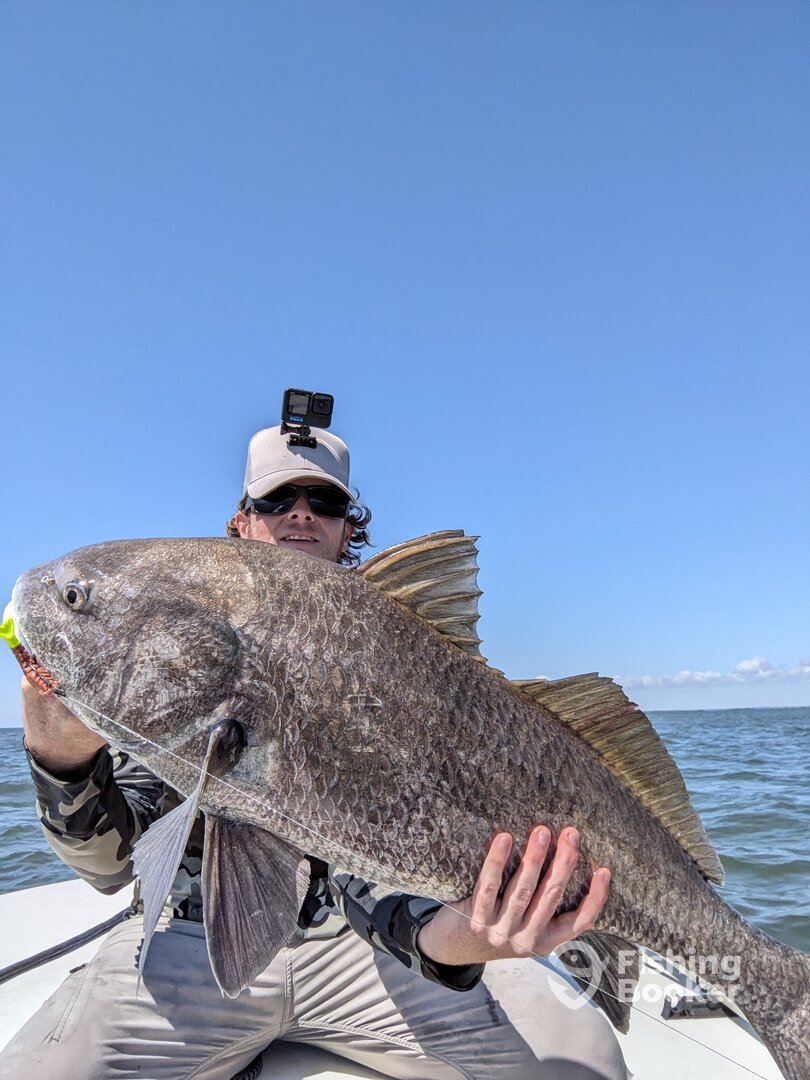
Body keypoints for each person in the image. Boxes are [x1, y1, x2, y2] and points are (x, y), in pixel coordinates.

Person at [0, 423, 627, 1080]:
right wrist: (61, 759)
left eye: (325, 502)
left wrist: (462, 936)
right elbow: (110, 867)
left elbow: (391, 875)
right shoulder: (174, 645)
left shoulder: (399, 654)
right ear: (240, 523)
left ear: (347, 528)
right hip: (192, 938)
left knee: (582, 1062)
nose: (301, 512)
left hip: (369, 951)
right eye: (277, 499)